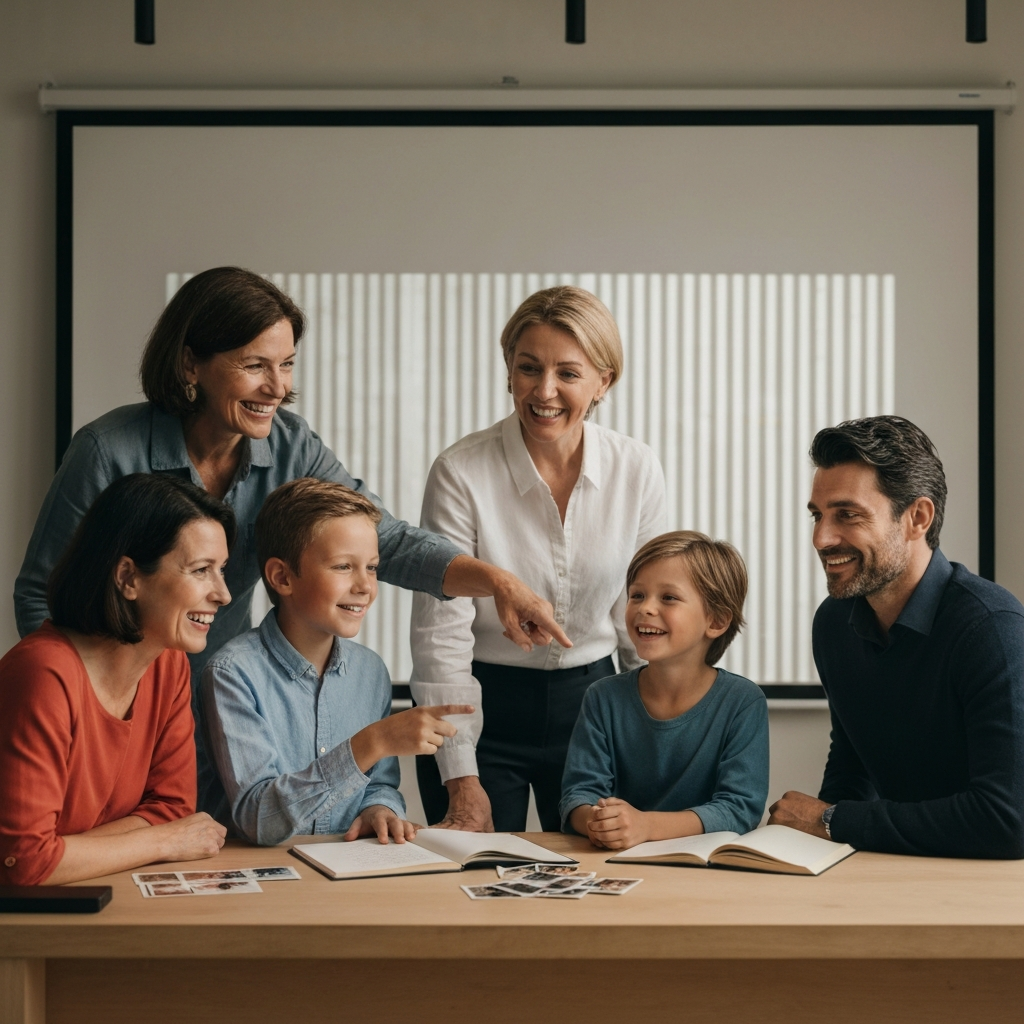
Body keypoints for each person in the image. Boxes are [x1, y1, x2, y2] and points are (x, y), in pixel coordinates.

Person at [14, 267, 570, 812]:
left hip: (219, 701)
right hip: (117, 712)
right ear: (191, 363)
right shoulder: (107, 451)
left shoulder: (290, 446)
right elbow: (42, 595)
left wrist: (497, 583)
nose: (278, 388)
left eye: (286, 365)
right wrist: (110, 706)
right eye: (255, 365)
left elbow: (387, 540)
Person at [410, 286, 667, 833]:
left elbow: (643, 620)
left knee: (597, 886)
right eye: (528, 368)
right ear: (508, 369)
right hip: (478, 708)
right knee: (473, 886)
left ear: (605, 381)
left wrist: (648, 741)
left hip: (594, 709)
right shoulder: (460, 471)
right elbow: (442, 634)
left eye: (568, 374)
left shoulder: (636, 468)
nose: (544, 391)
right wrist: (460, 776)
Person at [768, 416, 1024, 858]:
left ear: (917, 518)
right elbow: (853, 766)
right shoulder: (833, 623)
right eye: (817, 515)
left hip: (990, 888)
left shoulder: (993, 628)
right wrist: (806, 846)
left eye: (847, 515)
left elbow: (1007, 819)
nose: (821, 538)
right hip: (892, 865)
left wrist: (830, 821)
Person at [203, 479, 474, 846]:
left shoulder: (371, 672)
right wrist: (372, 741)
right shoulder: (232, 673)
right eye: (344, 566)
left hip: (345, 878)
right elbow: (259, 818)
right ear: (282, 577)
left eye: (373, 567)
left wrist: (379, 809)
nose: (365, 586)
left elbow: (378, 784)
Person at [0, 474, 232, 885]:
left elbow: (174, 809)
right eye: (201, 570)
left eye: (222, 570)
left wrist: (70, 850)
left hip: (102, 898)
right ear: (128, 578)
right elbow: (24, 861)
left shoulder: (168, 663)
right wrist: (163, 842)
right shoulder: (42, 674)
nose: (223, 593)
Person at [560, 531, 769, 847]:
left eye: (668, 598)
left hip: (707, 871)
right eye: (637, 595)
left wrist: (646, 826)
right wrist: (597, 821)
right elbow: (578, 794)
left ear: (716, 621)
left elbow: (739, 810)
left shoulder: (743, 702)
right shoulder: (603, 697)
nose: (645, 609)